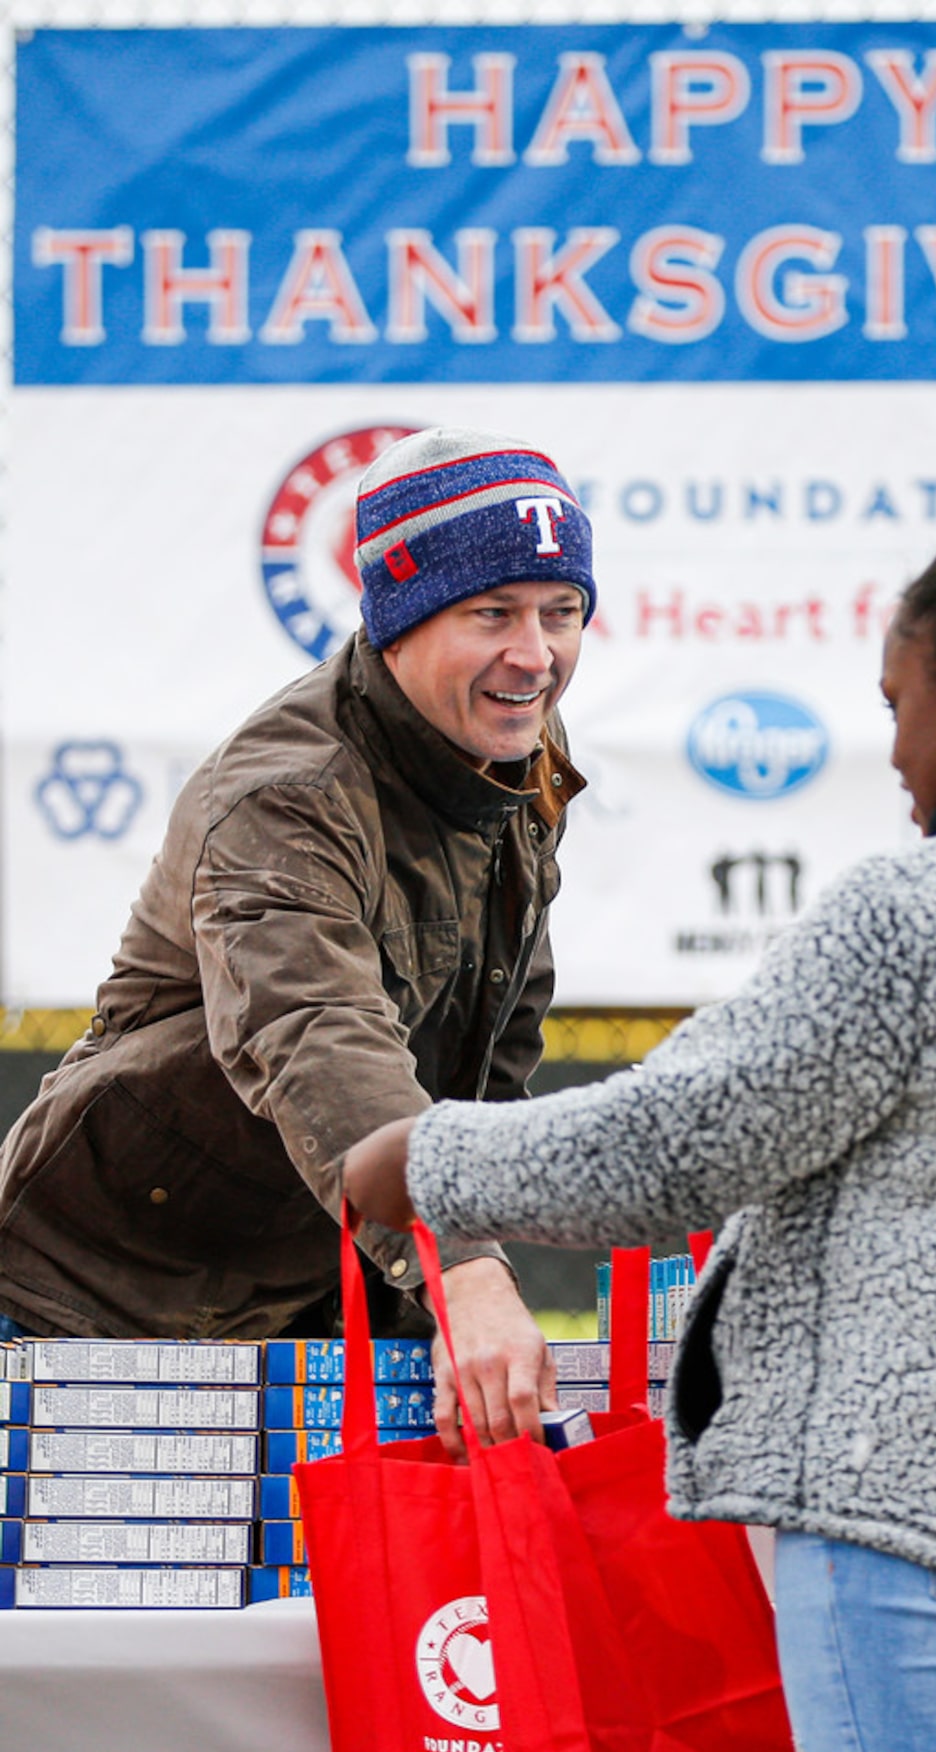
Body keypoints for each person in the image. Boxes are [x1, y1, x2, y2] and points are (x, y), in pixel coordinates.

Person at [345, 461, 936, 1752]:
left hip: (898, 1488)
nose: (889, 749)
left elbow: (675, 1140)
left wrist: (424, 1155)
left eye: (895, 702)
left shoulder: (913, 906)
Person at [0, 425, 593, 1443]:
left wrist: (442, 1292)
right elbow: (317, 1039)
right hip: (89, 1310)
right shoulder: (286, 796)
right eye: (490, 613)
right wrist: (462, 1271)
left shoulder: (519, 743)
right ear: (396, 621)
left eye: (562, 612)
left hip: (304, 1309)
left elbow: (495, 1040)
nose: (533, 656)